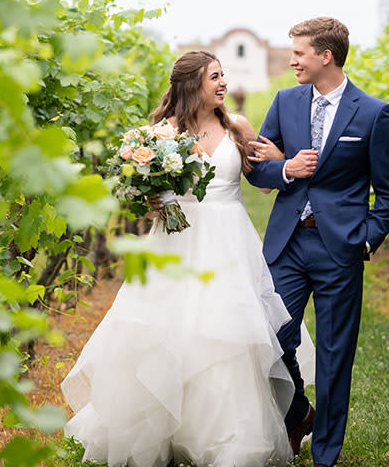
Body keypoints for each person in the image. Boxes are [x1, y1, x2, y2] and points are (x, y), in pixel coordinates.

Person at [61, 50, 315, 467]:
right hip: (176, 243)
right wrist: (153, 200)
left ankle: (231, 436)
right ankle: (167, 429)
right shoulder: (160, 134)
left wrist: (285, 167)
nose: (223, 83)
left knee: (227, 334)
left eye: (223, 75)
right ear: (191, 84)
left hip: (230, 242)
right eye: (214, 77)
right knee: (172, 332)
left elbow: (261, 182)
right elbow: (138, 196)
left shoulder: (237, 126)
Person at [246, 17, 389, 467]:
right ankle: (298, 412)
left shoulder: (374, 113)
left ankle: (326, 455)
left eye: (299, 52)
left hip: (341, 249)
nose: (292, 59)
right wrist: (286, 170)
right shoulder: (284, 102)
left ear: (325, 56)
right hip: (287, 243)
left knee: (336, 356)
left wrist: (368, 241)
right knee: (272, 338)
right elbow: (256, 165)